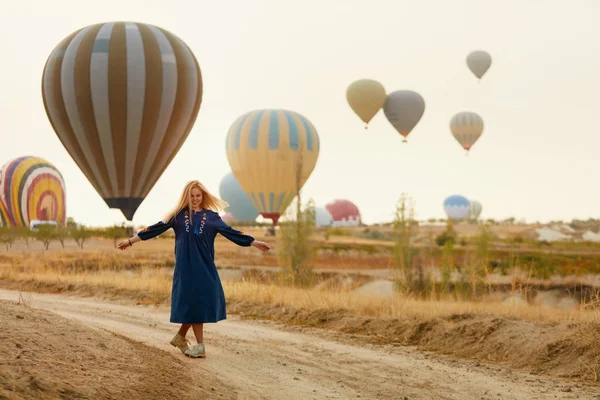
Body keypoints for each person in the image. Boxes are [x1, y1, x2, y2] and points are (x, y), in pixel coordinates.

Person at [117, 180, 271, 358]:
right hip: (185, 267)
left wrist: (254, 242)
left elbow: (233, 233)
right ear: (186, 197)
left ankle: (181, 337)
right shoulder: (177, 216)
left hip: (205, 266)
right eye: (192, 196)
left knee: (200, 302)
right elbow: (154, 229)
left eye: (198, 195)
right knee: (194, 303)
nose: (195, 199)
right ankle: (200, 345)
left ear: (202, 196)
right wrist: (130, 241)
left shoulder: (212, 217)